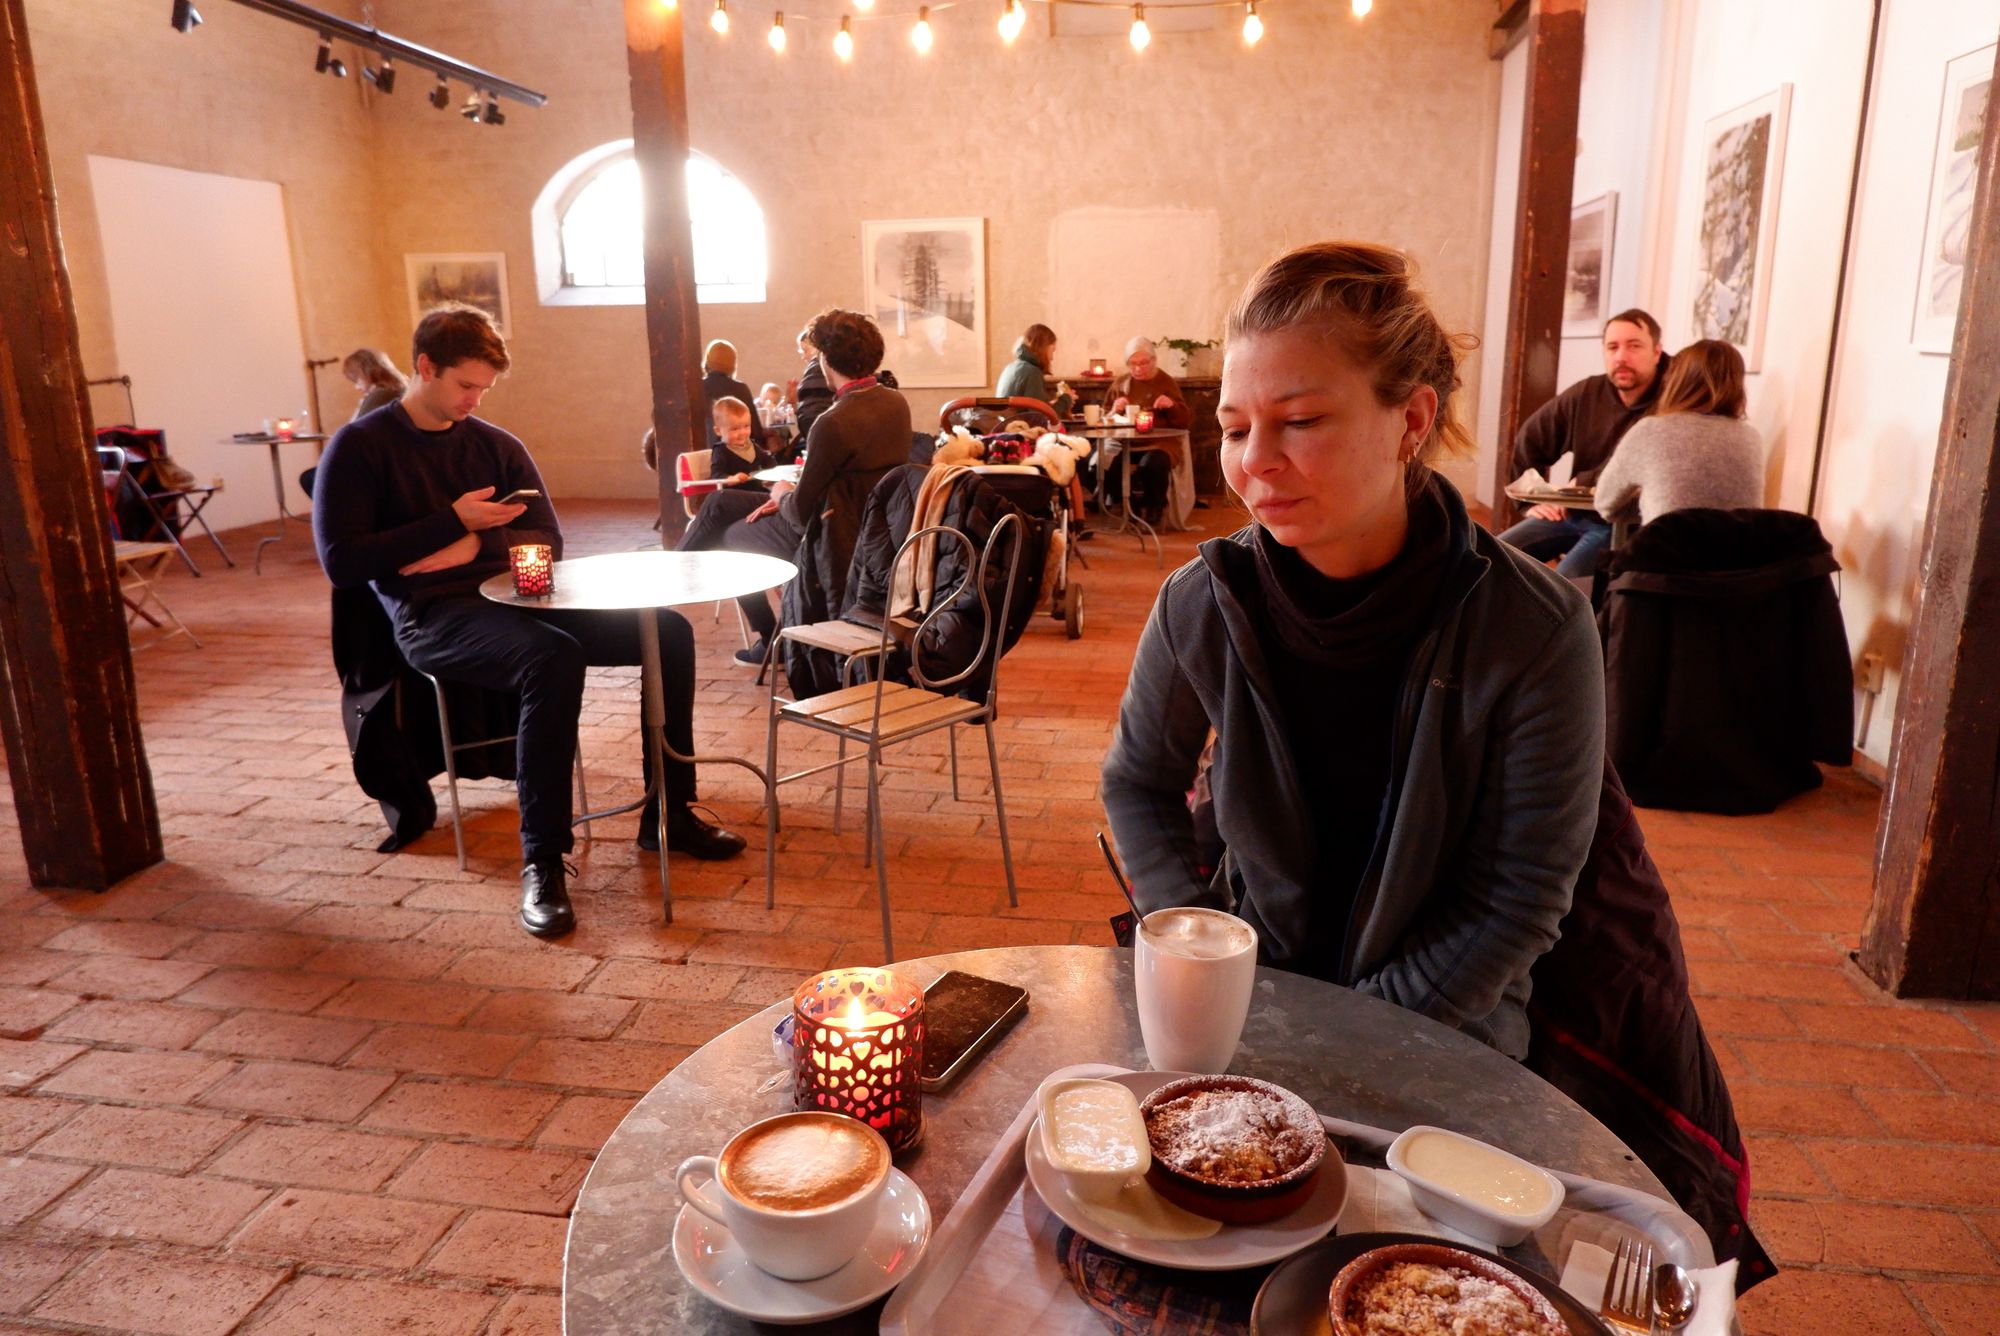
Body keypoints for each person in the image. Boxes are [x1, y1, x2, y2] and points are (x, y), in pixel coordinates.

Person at [1101, 242, 1603, 1059]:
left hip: (1439, 1038)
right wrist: (1204, 954)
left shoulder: (1532, 627)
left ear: (1412, 420)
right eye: (1235, 428)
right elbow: (1138, 781)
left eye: (1300, 421)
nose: (1255, 461)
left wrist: (1346, 1040)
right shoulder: (1205, 601)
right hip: (1247, 1013)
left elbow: (1518, 894)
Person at [313, 305, 745, 941]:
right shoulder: (360, 447)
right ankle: (543, 858)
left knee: (669, 632)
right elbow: (341, 562)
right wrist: (450, 522)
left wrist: (470, 544)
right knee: (552, 656)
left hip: (520, 597)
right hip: (430, 617)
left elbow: (548, 538)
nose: (474, 400)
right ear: (425, 367)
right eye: (465, 385)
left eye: (484, 388)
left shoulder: (495, 445)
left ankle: (668, 813)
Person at [682, 308, 910, 666]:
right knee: (719, 504)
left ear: (826, 359)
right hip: (870, 528)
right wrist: (788, 494)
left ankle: (768, 638)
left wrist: (782, 493)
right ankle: (680, 571)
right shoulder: (896, 404)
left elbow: (800, 513)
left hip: (829, 534)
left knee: (728, 537)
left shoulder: (832, 422)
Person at [1498, 310, 1670, 577]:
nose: (1621, 357)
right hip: (1573, 514)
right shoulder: (1588, 393)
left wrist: (1583, 481)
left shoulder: (1674, 400)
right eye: (1612, 347)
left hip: (1626, 524)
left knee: (1563, 584)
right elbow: (1531, 438)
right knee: (1490, 556)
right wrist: (1531, 503)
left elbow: (1643, 465)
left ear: (1657, 352)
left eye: (1634, 346)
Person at [1592, 339, 1762, 527]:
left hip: (1667, 543)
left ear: (1678, 380)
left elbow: (1604, 502)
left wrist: (1652, 505)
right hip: (1738, 545)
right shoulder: (1752, 438)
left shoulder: (1650, 431)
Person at [996, 324, 1088, 527]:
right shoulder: (1032, 372)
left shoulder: (1012, 368)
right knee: (1072, 457)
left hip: (1007, 435)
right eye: (1052, 350)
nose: (1052, 357)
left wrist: (1053, 403)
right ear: (1043, 347)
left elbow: (1030, 406)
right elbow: (1042, 415)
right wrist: (1065, 400)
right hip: (1027, 439)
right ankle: (1077, 521)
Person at [1100, 336, 1190, 523]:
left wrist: (1171, 405)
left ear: (1153, 361)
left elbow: (1185, 420)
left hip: (1160, 443)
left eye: (1143, 363)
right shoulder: (1121, 383)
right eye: (1133, 364)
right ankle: (1129, 506)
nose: (1138, 369)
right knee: (1110, 465)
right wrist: (1114, 409)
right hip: (1127, 443)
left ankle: (1155, 508)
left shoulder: (1165, 382)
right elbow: (1104, 418)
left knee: (1153, 463)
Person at [701, 340, 768, 450]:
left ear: (707, 361)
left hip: (701, 452)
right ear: (732, 363)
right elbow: (755, 430)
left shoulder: (696, 387)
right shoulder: (740, 389)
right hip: (736, 452)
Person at [706, 396, 779, 487]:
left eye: (746, 426)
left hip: (757, 490)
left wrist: (771, 474)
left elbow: (769, 462)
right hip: (734, 493)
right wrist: (731, 478)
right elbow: (716, 475)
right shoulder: (720, 451)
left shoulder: (751, 446)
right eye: (735, 429)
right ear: (718, 431)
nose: (742, 433)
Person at [343, 348, 407, 421]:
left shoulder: (380, 395)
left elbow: (356, 426)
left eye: (357, 381)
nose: (357, 387)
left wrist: (365, 402)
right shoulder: (401, 388)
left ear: (368, 372)